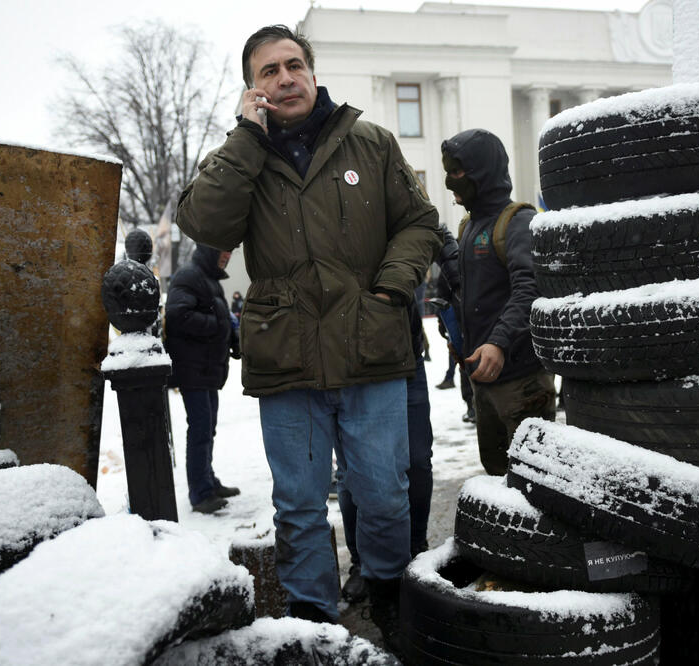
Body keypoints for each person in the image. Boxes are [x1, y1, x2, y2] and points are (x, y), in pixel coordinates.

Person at [175, 24, 441, 651]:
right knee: (297, 503)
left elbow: (419, 221)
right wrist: (246, 138)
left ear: (313, 73)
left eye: (294, 65)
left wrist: (391, 290)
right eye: (269, 71)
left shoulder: (370, 143)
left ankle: (384, 589)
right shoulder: (242, 157)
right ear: (252, 89)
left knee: (382, 490)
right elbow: (203, 221)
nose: (285, 78)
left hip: (370, 347)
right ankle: (313, 613)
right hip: (287, 357)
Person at [337, 228, 459, 604]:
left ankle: (416, 547)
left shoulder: (389, 187)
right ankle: (361, 562)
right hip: (350, 360)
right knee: (353, 471)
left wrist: (456, 266)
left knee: (418, 460)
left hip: (405, 356)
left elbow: (433, 228)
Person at [441, 129, 557, 475]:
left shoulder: (518, 222)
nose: (450, 181)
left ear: (482, 171)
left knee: (535, 482)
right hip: (485, 384)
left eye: (457, 171)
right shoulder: (468, 227)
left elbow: (529, 289)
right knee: (496, 478)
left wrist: (498, 341)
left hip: (522, 383)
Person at [163, 245, 241, 514]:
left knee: (208, 429)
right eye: (224, 251)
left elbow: (221, 318)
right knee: (200, 429)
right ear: (209, 250)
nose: (227, 256)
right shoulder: (188, 276)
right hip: (192, 369)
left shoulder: (210, 280)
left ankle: (208, 480)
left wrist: (233, 338)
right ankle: (200, 492)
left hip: (207, 370)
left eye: (230, 253)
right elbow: (177, 315)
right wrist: (217, 326)